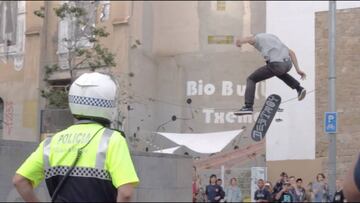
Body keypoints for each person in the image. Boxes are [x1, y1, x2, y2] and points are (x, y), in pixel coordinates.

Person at [12, 72, 140, 202]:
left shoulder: (51, 143)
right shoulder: (112, 140)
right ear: (108, 104)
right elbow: (126, 193)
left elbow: (20, 180)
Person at [234, 33, 307, 115]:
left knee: (251, 79)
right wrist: (298, 70)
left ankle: (248, 106)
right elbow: (291, 53)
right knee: (278, 72)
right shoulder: (274, 40)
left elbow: (249, 39)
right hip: (287, 64)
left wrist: (239, 41)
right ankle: (299, 88)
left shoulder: (258, 38)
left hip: (276, 65)